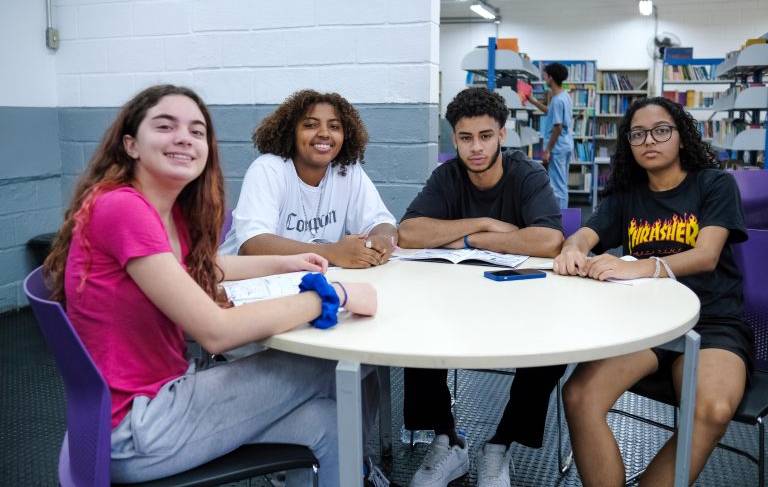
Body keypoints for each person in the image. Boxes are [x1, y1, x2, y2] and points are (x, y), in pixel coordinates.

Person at [43, 85, 379, 486]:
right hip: (140, 426)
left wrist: (283, 261)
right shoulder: (122, 208)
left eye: (197, 130)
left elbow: (201, 267)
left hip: (157, 401)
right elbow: (216, 333)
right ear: (131, 144)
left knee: (329, 420)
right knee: (342, 363)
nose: (184, 137)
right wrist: (333, 296)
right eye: (166, 126)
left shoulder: (157, 209)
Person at [554, 97, 754, 486]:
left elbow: (707, 255)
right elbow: (587, 233)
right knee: (579, 397)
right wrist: (572, 247)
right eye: (638, 134)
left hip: (712, 322)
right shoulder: (626, 195)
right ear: (628, 143)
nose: (650, 140)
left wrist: (638, 266)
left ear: (681, 136)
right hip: (642, 324)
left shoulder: (714, 184)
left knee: (711, 409)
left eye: (661, 130)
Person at [398, 87, 565, 487]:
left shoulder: (527, 173)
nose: (476, 148)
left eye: (485, 136)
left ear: (502, 136)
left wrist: (468, 240)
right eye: (465, 138)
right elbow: (408, 232)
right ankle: (448, 439)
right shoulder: (447, 176)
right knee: (413, 328)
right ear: (453, 138)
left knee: (555, 347)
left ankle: (500, 445)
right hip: (455, 302)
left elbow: (548, 240)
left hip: (520, 301)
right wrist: (485, 225)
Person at [220, 89, 398, 268]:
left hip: (307, 279)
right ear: (292, 132)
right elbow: (253, 245)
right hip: (238, 282)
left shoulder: (347, 171)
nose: (324, 133)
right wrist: (332, 252)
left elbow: (383, 223)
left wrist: (379, 243)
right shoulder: (268, 169)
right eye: (310, 125)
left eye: (334, 126)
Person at [527, 62, 574, 209]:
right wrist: (533, 101)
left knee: (558, 186)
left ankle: (562, 221)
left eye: (545, 76)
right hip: (565, 145)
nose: (544, 79)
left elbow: (557, 127)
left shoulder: (558, 100)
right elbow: (550, 112)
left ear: (551, 78)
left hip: (558, 147)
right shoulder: (563, 96)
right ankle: (563, 216)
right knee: (562, 182)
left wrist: (547, 150)